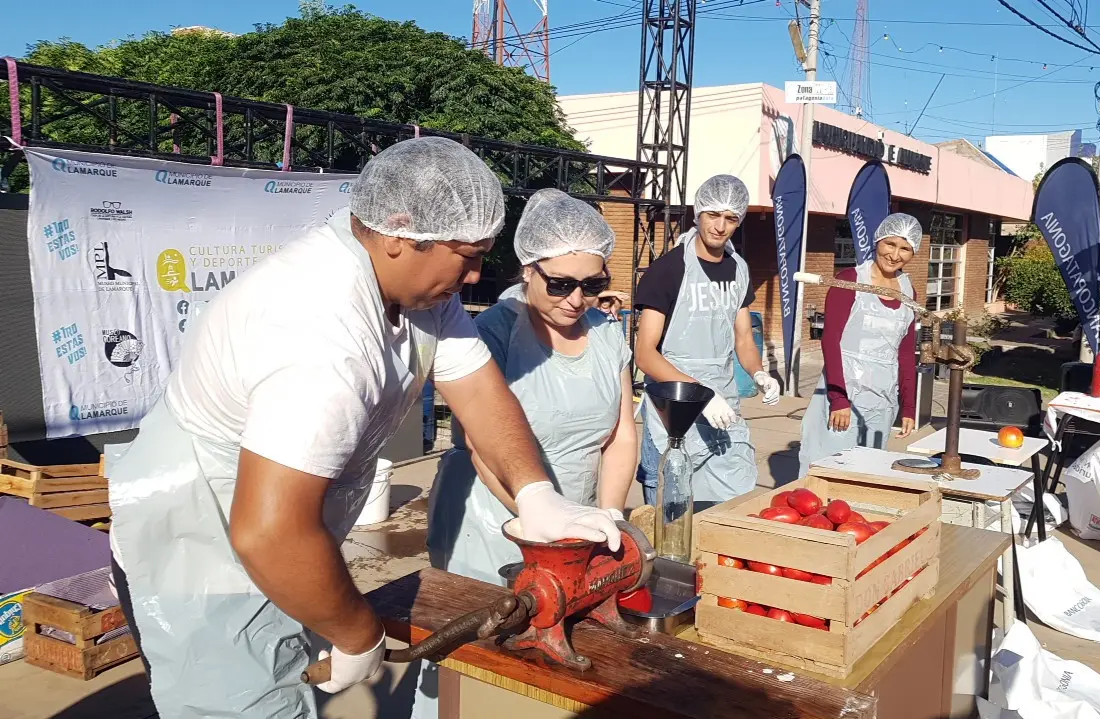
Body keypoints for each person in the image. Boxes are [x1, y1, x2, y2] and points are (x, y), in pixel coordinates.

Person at [106, 137, 623, 719]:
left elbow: (481, 392)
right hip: (200, 550)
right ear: (401, 236)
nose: (478, 273)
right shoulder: (321, 334)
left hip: (276, 534)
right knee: (248, 701)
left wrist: (535, 494)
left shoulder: (417, 290)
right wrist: (358, 633)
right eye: (468, 254)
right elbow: (268, 535)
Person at [412, 188, 636, 718]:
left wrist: (608, 514)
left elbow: (621, 434)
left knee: (539, 682)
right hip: (493, 522)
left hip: (572, 530)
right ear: (527, 270)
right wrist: (537, 520)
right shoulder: (490, 336)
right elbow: (481, 443)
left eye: (592, 284)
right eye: (560, 283)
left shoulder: (607, 336)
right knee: (469, 670)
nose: (576, 299)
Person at [634, 174, 781, 505]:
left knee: (734, 504)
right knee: (672, 510)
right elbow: (645, 354)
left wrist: (759, 372)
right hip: (673, 405)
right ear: (698, 213)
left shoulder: (738, 269)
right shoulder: (669, 270)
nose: (720, 226)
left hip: (723, 406)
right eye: (713, 215)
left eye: (731, 218)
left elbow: (743, 336)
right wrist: (699, 393)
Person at [797, 213, 922, 478]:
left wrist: (909, 405)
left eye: (905, 249)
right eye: (890, 244)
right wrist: (839, 398)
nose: (895, 255)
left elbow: (906, 351)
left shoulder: (908, 289)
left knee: (869, 473)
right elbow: (830, 340)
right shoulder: (849, 280)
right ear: (878, 241)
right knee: (830, 470)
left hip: (882, 400)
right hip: (845, 394)